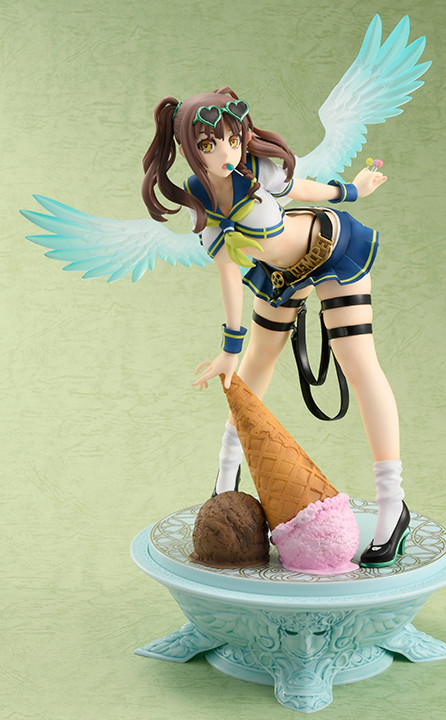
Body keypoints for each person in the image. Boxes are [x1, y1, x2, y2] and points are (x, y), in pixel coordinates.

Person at [141, 87, 410, 568]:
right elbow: (227, 268)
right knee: (251, 367)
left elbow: (301, 189)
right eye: (209, 145)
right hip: (279, 276)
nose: (226, 153)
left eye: (232, 140)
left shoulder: (257, 168)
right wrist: (229, 346)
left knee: (358, 363)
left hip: (331, 248)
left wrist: (352, 191)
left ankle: (393, 504)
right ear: (190, 149)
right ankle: (225, 480)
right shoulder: (200, 194)